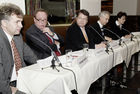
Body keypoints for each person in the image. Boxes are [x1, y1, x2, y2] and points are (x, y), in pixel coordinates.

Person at [0, 3, 38, 94]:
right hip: (7, 85)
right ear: (4, 23)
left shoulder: (17, 37)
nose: (21, 26)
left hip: (22, 79)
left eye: (21, 22)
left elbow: (31, 57)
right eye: (17, 22)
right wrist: (10, 91)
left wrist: (44, 65)